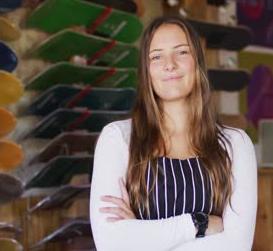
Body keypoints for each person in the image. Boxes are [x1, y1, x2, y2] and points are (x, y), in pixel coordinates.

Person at [90, 15, 257, 251]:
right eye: (156, 56)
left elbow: (237, 245)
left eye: (181, 52)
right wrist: (199, 224)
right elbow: (111, 244)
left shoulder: (235, 144)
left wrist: (139, 235)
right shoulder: (118, 138)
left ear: (197, 62)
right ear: (146, 71)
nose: (170, 64)